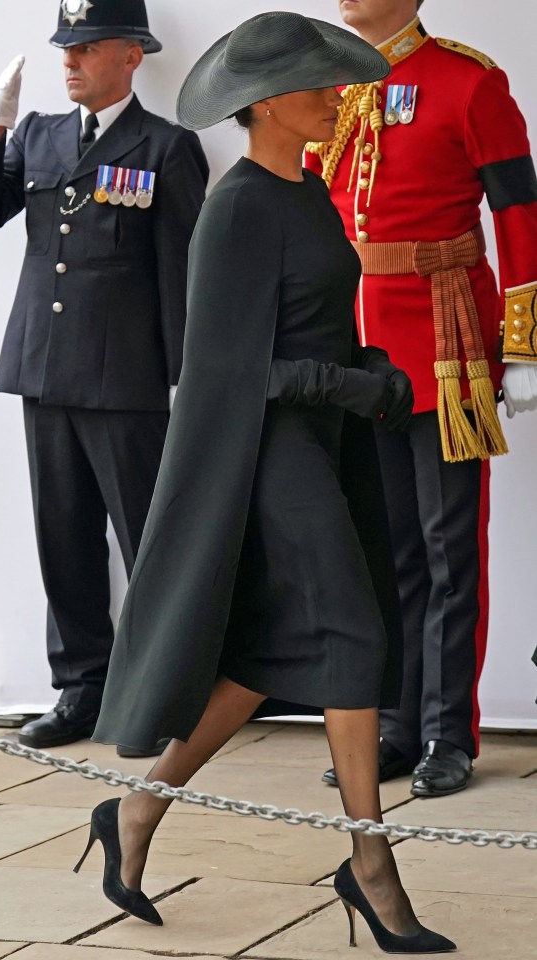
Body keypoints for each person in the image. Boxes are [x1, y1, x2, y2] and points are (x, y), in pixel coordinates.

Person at [79, 12, 455, 953]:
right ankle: (370, 864)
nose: (337, 99)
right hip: (269, 450)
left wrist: (373, 364)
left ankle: (133, 817)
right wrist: (358, 384)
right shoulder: (238, 206)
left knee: (260, 665)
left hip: (322, 440)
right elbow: (228, 370)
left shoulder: (313, 191)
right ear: (275, 102)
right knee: (354, 631)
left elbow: (313, 327)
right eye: (322, 88)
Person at [0, 0, 209, 752]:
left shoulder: (166, 147)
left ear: (131, 56)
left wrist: (186, 379)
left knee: (149, 541)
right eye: (65, 46)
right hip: (45, 367)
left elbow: (184, 272)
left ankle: (166, 692)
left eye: (88, 47)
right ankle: (83, 689)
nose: (69, 60)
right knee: (61, 538)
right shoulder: (36, 134)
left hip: (129, 379)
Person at [310, 0, 537, 797]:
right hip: (357, 348)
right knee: (389, 547)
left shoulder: (468, 82)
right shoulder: (331, 85)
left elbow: (518, 212)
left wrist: (524, 341)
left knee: (447, 551)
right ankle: (399, 725)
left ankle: (450, 731)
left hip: (448, 342)